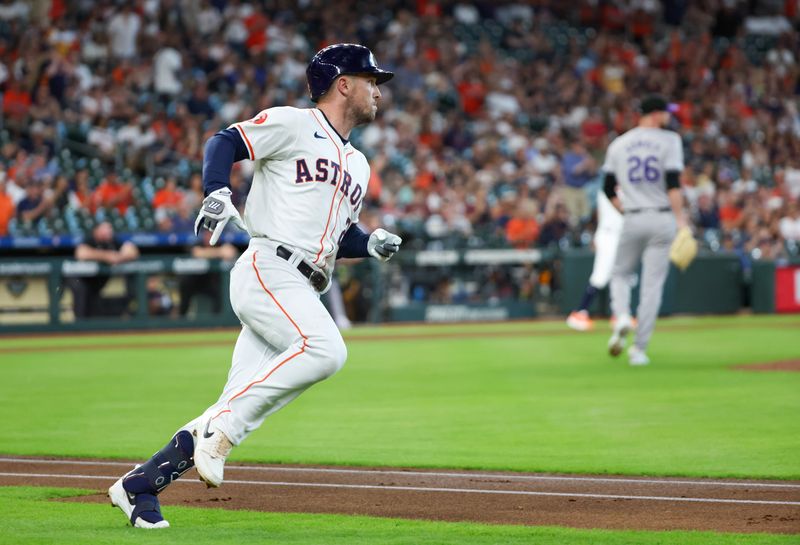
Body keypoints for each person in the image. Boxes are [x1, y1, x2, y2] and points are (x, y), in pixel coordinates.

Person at [108, 43, 402, 529]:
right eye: (371, 81)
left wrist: (369, 244)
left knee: (235, 397)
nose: (378, 90)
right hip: (270, 266)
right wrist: (217, 190)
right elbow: (225, 142)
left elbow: (337, 234)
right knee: (326, 350)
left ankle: (140, 486)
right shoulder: (293, 122)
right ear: (343, 84)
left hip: (303, 284)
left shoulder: (359, 165)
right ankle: (224, 431)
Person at [603, 95, 688, 365]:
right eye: (666, 112)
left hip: (633, 215)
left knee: (620, 274)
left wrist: (625, 211)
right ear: (655, 114)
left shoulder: (619, 143)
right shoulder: (670, 140)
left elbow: (607, 187)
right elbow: (673, 184)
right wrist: (681, 221)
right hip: (662, 217)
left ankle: (623, 315)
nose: (669, 116)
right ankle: (639, 350)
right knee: (652, 287)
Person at [566, 189, 624, 331]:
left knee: (618, 276)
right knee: (600, 276)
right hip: (609, 235)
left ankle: (619, 314)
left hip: (618, 236)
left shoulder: (623, 186)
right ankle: (580, 313)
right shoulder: (608, 187)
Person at [68, 221, 140, 318]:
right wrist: (107, 256)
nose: (109, 231)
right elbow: (80, 253)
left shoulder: (112, 240)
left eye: (110, 228)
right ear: (96, 231)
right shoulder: (90, 239)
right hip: (78, 278)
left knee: (93, 312)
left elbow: (132, 251)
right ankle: (77, 327)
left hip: (96, 283)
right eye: (105, 229)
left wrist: (119, 257)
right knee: (81, 295)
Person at [177, 229, 238, 316]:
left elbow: (230, 252)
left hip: (212, 282)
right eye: (207, 235)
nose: (209, 237)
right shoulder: (199, 243)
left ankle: (217, 321)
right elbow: (197, 253)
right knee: (185, 283)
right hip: (196, 279)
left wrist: (211, 253)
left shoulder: (221, 244)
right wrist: (219, 252)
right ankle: (181, 319)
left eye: (212, 234)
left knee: (222, 290)